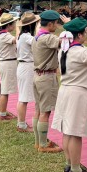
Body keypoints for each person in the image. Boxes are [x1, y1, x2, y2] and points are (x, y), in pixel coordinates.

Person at [51, 18, 87, 172]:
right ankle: (75, 169)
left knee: (68, 131)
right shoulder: (79, 51)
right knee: (75, 133)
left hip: (66, 92)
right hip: (77, 94)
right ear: (79, 35)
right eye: (85, 34)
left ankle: (70, 163)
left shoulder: (65, 49)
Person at [31, 10, 65, 153]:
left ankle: (38, 142)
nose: (57, 26)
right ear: (50, 24)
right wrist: (70, 26)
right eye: (56, 23)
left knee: (38, 110)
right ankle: (43, 145)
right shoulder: (48, 38)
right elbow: (65, 42)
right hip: (46, 77)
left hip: (38, 76)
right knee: (45, 112)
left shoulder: (37, 37)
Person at [15, 12, 40, 132]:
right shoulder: (26, 36)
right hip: (26, 67)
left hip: (24, 66)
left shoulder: (22, 35)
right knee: (23, 98)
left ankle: (21, 123)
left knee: (23, 97)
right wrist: (40, 30)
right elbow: (38, 42)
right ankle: (21, 124)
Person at [0, 13, 19, 121]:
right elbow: (17, 41)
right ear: (9, 25)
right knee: (5, 90)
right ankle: (2, 114)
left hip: (6, 63)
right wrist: (19, 30)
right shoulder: (5, 36)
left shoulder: (3, 35)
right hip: (8, 63)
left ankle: (2, 112)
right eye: (14, 24)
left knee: (3, 89)